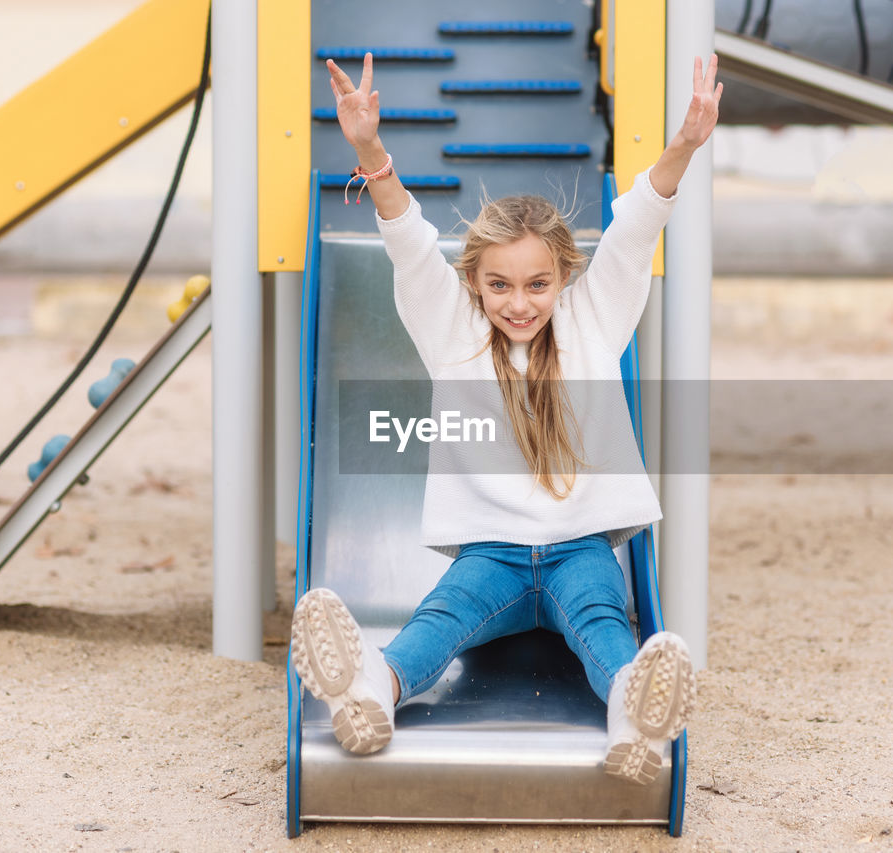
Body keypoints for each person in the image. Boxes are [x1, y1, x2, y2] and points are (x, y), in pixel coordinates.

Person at [292, 52, 722, 785]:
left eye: (536, 284)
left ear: (562, 278)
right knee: (435, 627)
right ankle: (367, 695)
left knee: (605, 631)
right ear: (475, 284)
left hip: (578, 549)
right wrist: (368, 149)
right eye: (498, 284)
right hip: (489, 554)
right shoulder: (453, 335)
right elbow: (410, 242)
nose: (518, 302)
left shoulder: (593, 325)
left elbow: (633, 232)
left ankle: (636, 722)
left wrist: (682, 147)